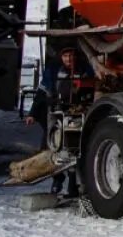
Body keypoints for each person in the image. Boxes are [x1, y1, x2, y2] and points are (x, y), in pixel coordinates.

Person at [24, 47, 84, 198]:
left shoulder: (84, 72)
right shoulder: (54, 72)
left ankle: (73, 187)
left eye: (71, 55)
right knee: (52, 149)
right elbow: (41, 94)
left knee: (74, 151)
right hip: (56, 118)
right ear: (61, 57)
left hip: (76, 116)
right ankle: (57, 181)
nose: (69, 59)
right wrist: (32, 114)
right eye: (66, 56)